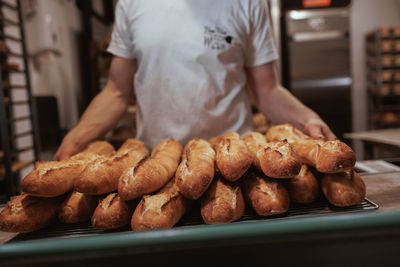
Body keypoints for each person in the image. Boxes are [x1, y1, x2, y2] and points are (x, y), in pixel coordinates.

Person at [54, 0, 336, 160]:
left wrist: (308, 119)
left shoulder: (248, 2)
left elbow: (268, 91)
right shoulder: (132, 3)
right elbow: (116, 92)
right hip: (157, 165)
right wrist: (76, 139)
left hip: (231, 163)